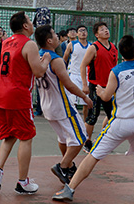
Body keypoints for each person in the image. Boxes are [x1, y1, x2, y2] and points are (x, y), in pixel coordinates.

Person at [53, 35, 134, 202]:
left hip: (122, 122)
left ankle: (69, 189)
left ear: (120, 54)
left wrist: (100, 91)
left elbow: (107, 97)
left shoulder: (117, 71)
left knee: (93, 155)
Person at [0, 11, 51, 195]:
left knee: (10, 135)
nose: (32, 24)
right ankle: (23, 181)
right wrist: (46, 60)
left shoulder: (6, 42)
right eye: (30, 21)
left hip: (1, 94)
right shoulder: (29, 44)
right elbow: (38, 72)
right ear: (25, 26)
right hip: (18, 95)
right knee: (26, 137)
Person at [34, 25, 92, 186]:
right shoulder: (56, 60)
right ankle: (63, 166)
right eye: (54, 34)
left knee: (63, 138)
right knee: (81, 138)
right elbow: (69, 84)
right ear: (49, 40)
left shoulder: (38, 57)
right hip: (62, 106)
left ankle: (69, 165)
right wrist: (84, 97)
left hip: (47, 105)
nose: (58, 37)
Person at [79, 22, 118, 153]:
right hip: (96, 86)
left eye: (106, 29)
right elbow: (83, 65)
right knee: (92, 117)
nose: (106, 31)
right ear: (96, 34)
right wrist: (85, 85)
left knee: (113, 116)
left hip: (109, 87)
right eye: (102, 30)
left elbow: (114, 67)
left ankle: (103, 139)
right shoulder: (94, 48)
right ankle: (87, 142)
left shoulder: (113, 47)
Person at [63, 25, 91, 121]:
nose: (83, 32)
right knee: (73, 101)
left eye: (84, 30)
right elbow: (65, 59)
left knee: (86, 103)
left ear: (87, 33)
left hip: (86, 76)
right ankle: (74, 121)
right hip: (74, 75)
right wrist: (64, 71)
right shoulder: (72, 45)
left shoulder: (91, 46)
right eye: (80, 31)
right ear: (77, 34)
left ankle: (86, 122)